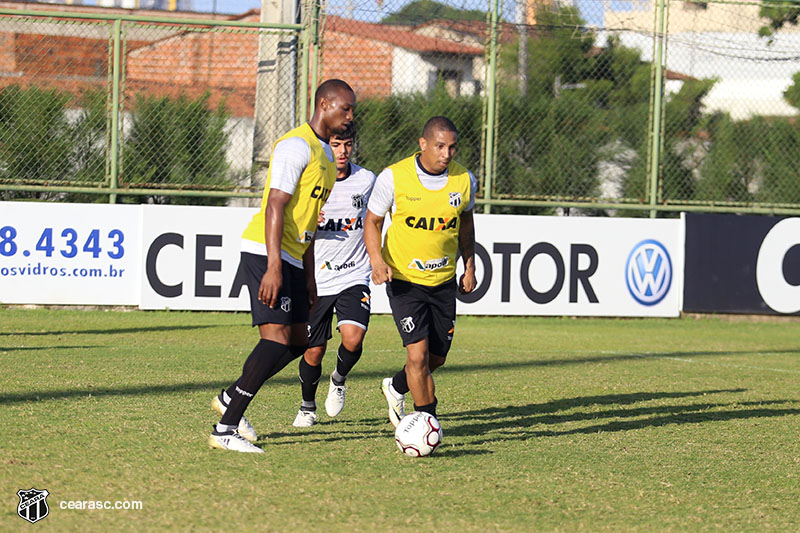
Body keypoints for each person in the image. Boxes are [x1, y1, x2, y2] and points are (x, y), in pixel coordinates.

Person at [209, 79, 356, 453]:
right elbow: (275, 204)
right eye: (346, 109)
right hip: (266, 250)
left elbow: (307, 220)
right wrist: (274, 267)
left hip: (293, 256)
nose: (350, 117)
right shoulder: (296, 146)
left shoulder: (324, 154)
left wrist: (309, 279)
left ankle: (231, 398)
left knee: (302, 339)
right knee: (274, 340)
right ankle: (225, 429)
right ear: (324, 104)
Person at [363, 116, 477, 427]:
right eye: (440, 146)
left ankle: (396, 386)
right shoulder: (393, 178)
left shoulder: (464, 180)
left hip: (443, 283)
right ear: (423, 144)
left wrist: (469, 265)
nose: (446, 154)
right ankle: (427, 422)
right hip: (404, 281)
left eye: (452, 147)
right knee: (417, 357)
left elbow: (466, 227)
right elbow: (372, 221)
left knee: (436, 358)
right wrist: (376, 259)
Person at [291, 123, 377, 427]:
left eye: (347, 145)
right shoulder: (314, 179)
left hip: (354, 274)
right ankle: (307, 406)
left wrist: (380, 258)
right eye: (336, 145)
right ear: (326, 146)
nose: (342, 151)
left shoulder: (367, 180)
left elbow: (376, 221)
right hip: (317, 278)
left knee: (353, 339)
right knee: (313, 351)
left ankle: (339, 379)